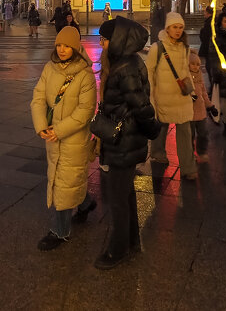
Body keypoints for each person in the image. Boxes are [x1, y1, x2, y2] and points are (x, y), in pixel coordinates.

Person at [94, 17, 160, 270]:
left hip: (124, 140)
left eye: (105, 39)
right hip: (125, 139)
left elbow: (141, 105)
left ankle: (117, 250)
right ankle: (131, 240)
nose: (101, 44)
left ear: (117, 40)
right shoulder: (127, 62)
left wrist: (153, 129)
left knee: (118, 198)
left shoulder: (125, 68)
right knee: (126, 193)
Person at [30, 26, 98, 250]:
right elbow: (39, 97)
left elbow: (85, 112)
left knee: (63, 182)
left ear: (76, 47)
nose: (62, 49)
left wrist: (58, 131)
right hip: (52, 135)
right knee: (66, 180)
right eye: (59, 45)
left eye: (67, 46)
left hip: (73, 138)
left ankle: (60, 232)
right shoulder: (50, 68)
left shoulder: (85, 75)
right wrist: (41, 126)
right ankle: (86, 203)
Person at [144, 12, 197, 181]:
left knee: (185, 133)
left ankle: (188, 168)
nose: (178, 31)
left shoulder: (185, 47)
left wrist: (192, 91)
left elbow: (185, 71)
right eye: (175, 27)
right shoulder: (157, 48)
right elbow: (149, 72)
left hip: (181, 97)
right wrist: (151, 96)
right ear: (167, 28)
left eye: (181, 27)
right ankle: (158, 153)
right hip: (163, 97)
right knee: (161, 126)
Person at [187, 49, 217, 164]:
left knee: (203, 133)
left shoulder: (199, 76)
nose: (195, 67)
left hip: (200, 111)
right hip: (189, 113)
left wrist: (210, 106)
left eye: (198, 64)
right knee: (190, 135)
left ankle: (202, 151)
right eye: (193, 64)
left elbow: (204, 93)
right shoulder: (186, 76)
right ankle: (190, 154)